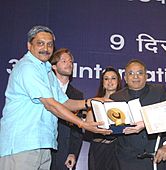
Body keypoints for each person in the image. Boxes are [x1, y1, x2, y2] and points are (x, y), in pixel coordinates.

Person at [0, 25, 111, 170]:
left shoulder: (47, 72)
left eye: (49, 44)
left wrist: (89, 102)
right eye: (40, 43)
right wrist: (82, 124)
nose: (45, 48)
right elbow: (50, 104)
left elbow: (64, 102)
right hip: (22, 145)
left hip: (43, 144)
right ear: (29, 45)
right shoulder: (27, 67)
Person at [110, 59, 166, 170]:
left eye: (140, 73)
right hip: (126, 161)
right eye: (131, 73)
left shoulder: (159, 91)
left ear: (146, 76)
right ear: (125, 78)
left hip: (157, 158)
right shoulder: (116, 98)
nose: (135, 77)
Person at [49, 48, 86, 170]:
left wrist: (73, 152)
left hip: (64, 153)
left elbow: (77, 128)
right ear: (54, 66)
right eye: (64, 61)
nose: (69, 64)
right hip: (42, 147)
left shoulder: (77, 95)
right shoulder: (45, 89)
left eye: (70, 61)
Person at [87, 66, 122, 170]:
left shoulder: (124, 102)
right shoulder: (95, 102)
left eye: (113, 78)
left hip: (118, 149)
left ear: (118, 81)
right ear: (102, 82)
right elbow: (88, 125)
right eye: (106, 79)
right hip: (99, 149)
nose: (109, 81)